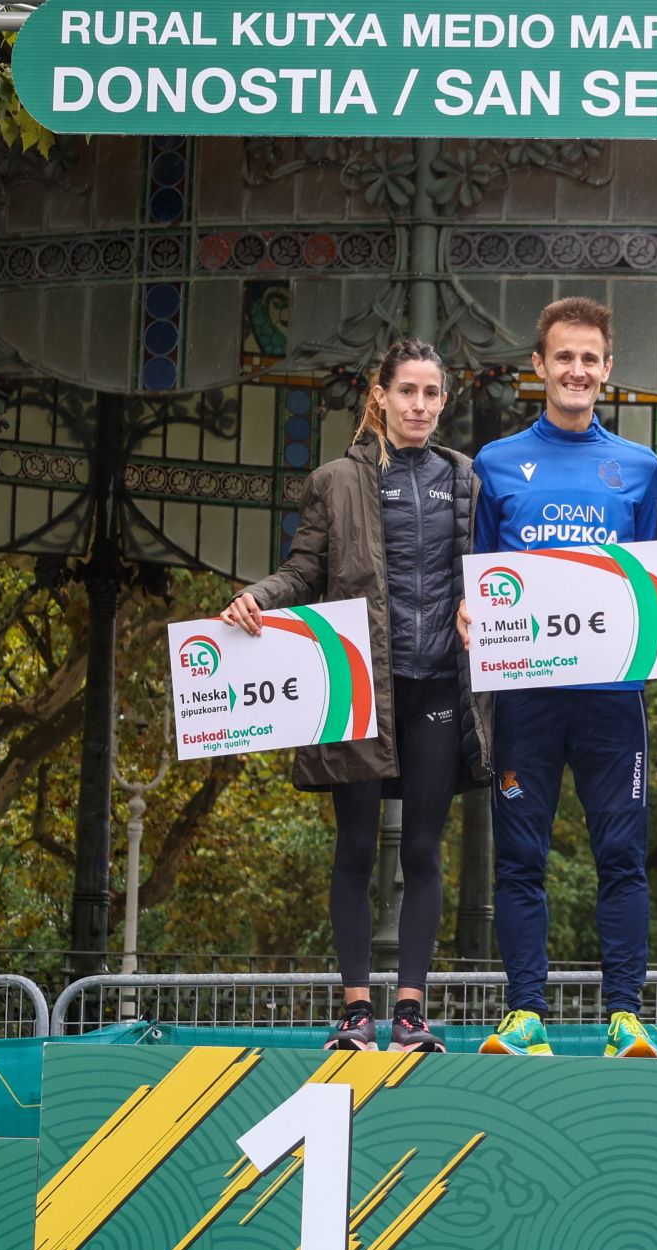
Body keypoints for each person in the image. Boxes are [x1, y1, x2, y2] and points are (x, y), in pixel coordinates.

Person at [221, 338, 490, 1054]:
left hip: (438, 686)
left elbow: (495, 573)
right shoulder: (335, 480)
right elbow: (302, 571)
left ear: (443, 401)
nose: (419, 406)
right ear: (381, 395)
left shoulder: (466, 478)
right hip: (360, 688)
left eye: (431, 394)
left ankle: (410, 1014)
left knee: (424, 850)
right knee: (357, 848)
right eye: (407, 392)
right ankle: (355, 1014)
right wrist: (256, 599)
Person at [460, 297, 657, 1059]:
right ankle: (525, 1015)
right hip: (527, 696)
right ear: (538, 366)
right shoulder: (496, 463)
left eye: (589, 358)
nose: (576, 370)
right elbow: (479, 571)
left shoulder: (641, 468)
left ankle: (625, 1017)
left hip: (614, 698)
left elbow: (652, 580)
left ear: (608, 370)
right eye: (563, 357)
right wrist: (469, 610)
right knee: (520, 858)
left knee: (623, 857)